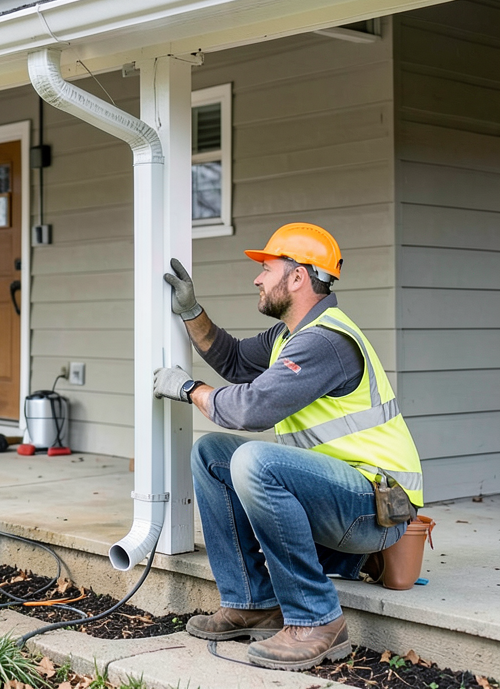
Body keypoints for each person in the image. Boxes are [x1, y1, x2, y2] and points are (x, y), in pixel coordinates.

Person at [152, 222, 423, 671]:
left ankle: (318, 619)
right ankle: (252, 601)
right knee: (212, 454)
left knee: (255, 459)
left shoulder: (324, 341)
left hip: (375, 507)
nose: (258, 278)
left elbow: (251, 409)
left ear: (297, 277)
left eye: (267, 268)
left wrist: (190, 389)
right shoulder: (289, 336)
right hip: (338, 498)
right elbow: (236, 361)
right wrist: (191, 312)